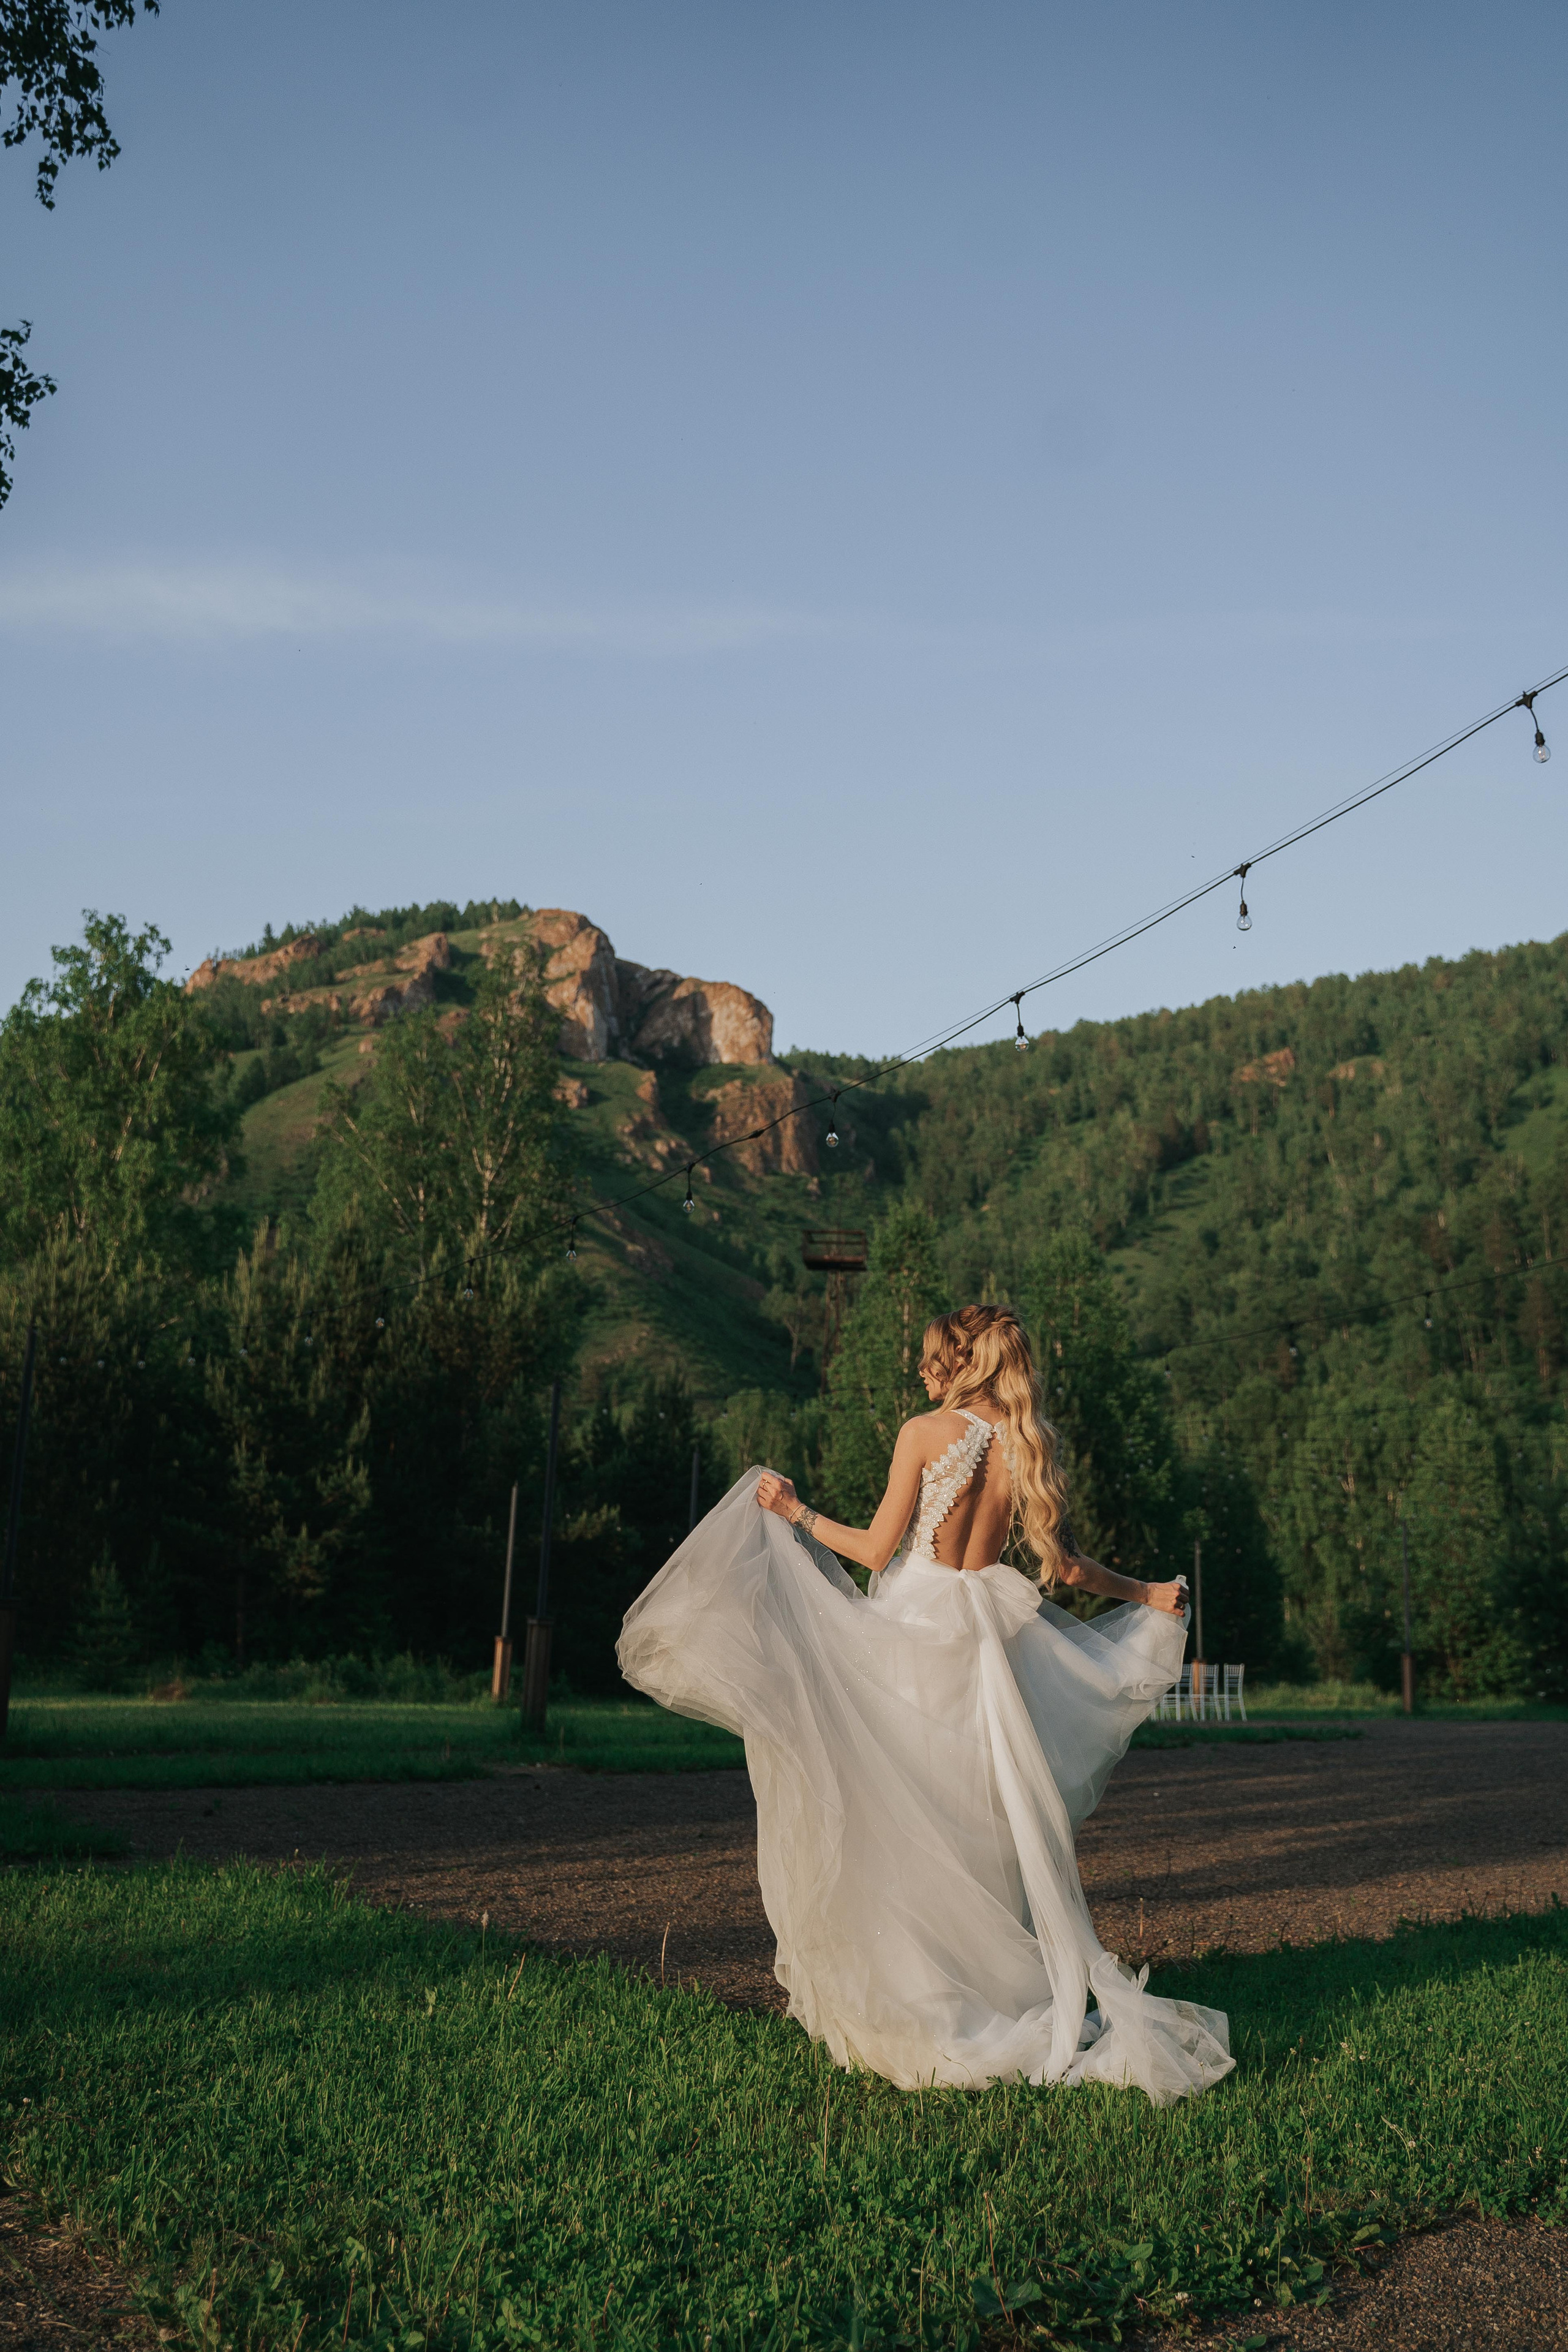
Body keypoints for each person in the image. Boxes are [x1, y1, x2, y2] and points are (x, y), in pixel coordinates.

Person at [617, 1302, 1232, 2104]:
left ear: (958, 1362)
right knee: (972, 1823)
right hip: (986, 1644)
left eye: (929, 1357)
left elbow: (876, 1551)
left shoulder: (923, 1434)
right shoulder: (1027, 1445)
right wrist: (1150, 1593)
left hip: (916, 1632)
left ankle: (929, 1999)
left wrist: (796, 1513)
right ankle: (986, 1991)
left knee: (902, 1814)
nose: (919, 1370)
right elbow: (1071, 1571)